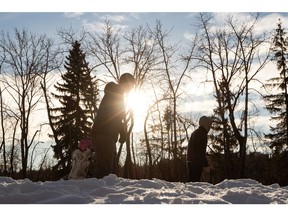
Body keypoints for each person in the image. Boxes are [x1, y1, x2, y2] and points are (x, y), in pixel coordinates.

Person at [90, 73, 135, 178]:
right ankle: (97, 191)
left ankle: (98, 191)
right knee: (106, 170)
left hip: (101, 133)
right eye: (131, 85)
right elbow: (115, 115)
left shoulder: (114, 92)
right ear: (126, 83)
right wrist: (123, 132)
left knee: (107, 169)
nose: (131, 88)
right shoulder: (117, 92)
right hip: (105, 134)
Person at [186, 115, 213, 182]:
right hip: (196, 163)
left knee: (191, 182)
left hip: (190, 161)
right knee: (195, 183)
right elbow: (201, 151)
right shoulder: (202, 134)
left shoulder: (195, 133)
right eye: (209, 125)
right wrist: (206, 165)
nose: (210, 127)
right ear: (205, 124)